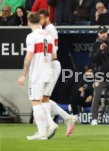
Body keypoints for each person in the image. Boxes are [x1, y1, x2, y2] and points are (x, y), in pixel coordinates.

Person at [17, 12, 57, 140]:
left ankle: (41, 132)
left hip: (37, 73)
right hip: (48, 72)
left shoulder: (31, 36)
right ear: (40, 21)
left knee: (35, 102)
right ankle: (50, 125)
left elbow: (28, 57)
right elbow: (54, 56)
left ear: (29, 22)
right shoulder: (49, 36)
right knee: (43, 101)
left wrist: (23, 75)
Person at [38, 9, 77, 137]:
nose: (40, 21)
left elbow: (52, 50)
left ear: (47, 18)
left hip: (51, 65)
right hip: (48, 65)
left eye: (42, 18)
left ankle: (50, 124)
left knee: (41, 98)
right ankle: (66, 118)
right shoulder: (45, 30)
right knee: (42, 98)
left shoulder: (50, 30)